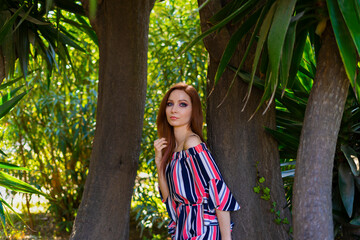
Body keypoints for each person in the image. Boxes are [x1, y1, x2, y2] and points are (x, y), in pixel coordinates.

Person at [154, 82, 240, 240]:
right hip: (184, 227)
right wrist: (160, 165)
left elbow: (216, 188)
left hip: (203, 229)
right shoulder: (174, 149)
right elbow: (170, 201)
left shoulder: (192, 143)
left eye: (183, 104)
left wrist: (226, 239)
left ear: (193, 110)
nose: (174, 109)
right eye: (170, 104)